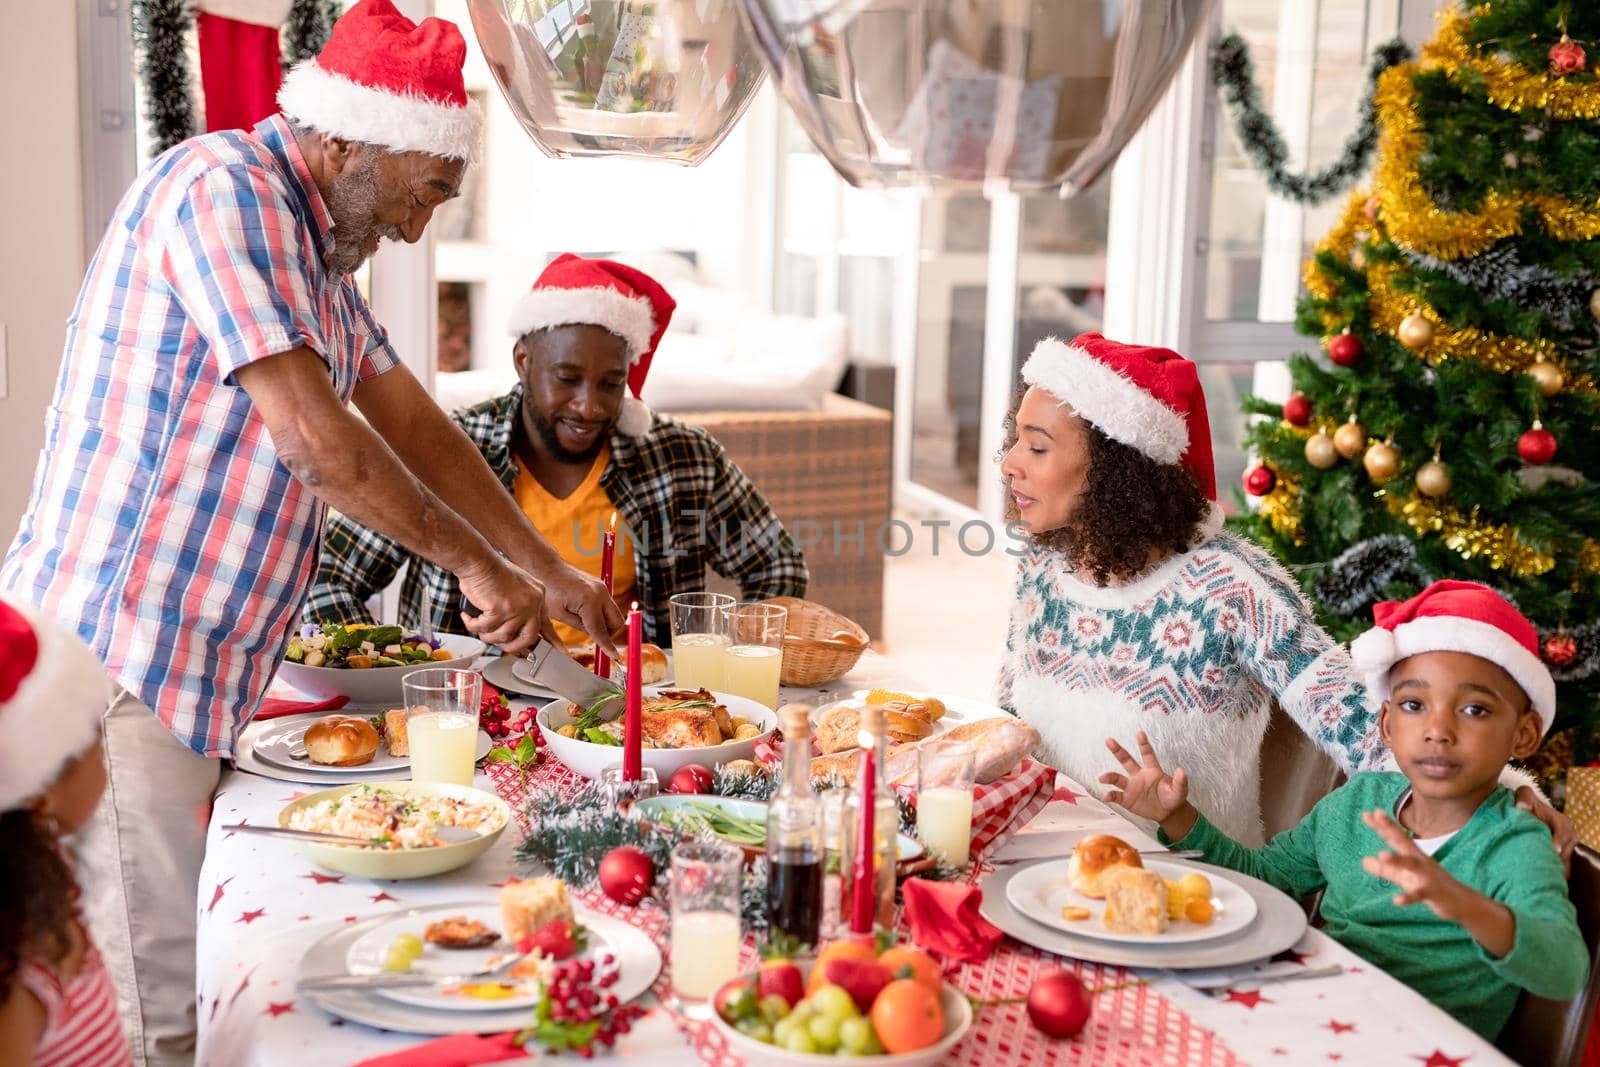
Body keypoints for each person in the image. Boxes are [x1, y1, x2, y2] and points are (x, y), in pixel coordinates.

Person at [0, 3, 620, 1062]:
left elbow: (414, 423)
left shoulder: (315, 254)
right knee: (159, 1015)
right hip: (127, 656)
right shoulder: (223, 192)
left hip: (198, 668)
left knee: (194, 976)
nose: (419, 229)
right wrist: (475, 563)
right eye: (423, 193)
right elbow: (316, 442)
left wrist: (541, 561)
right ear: (347, 139)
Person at [995, 332, 1572, 852]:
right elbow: (1007, 721)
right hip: (1043, 862)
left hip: (1193, 892)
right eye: (1015, 441)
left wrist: (1505, 790)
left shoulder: (1230, 590)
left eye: (1036, 447)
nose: (1008, 464)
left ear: (1115, 470)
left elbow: (1360, 721)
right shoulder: (1045, 568)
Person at [1102, 580, 1588, 1040]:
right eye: (1415, 704)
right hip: (1312, 1008)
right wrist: (1175, 817)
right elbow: (1264, 878)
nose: (1437, 729)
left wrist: (1463, 903)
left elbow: (1564, 970)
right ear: (1387, 723)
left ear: (1523, 734)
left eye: (1474, 710)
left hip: (1409, 1044)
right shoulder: (1357, 803)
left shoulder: (1516, 843)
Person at [307, 253, 808, 645]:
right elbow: (328, 578)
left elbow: (777, 568)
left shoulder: (683, 459)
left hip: (638, 716)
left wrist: (728, 665)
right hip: (478, 712)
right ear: (523, 361)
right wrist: (390, 671)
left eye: (611, 383)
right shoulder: (448, 452)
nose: (589, 406)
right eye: (567, 378)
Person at [0, 597, 132, 1067]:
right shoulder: (15, 979)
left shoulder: (39, 865)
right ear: (40, 791)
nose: (106, 757)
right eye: (96, 736)